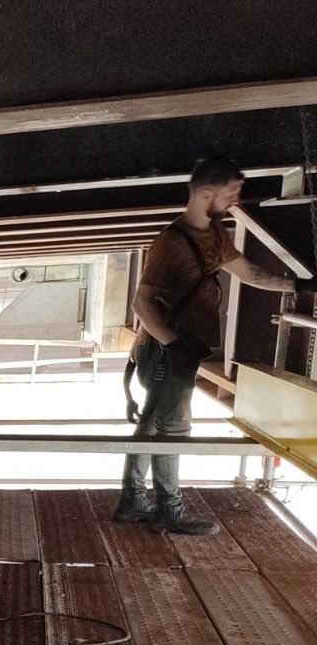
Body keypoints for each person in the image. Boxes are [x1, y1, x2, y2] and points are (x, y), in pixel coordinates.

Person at [117, 155, 314, 534]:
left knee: (156, 425)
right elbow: (140, 302)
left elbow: (249, 273)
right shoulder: (171, 242)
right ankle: (166, 508)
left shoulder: (214, 235)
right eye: (231, 193)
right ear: (207, 193)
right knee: (170, 428)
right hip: (167, 350)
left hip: (179, 349)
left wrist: (297, 287)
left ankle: (134, 501)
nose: (235, 202)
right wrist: (173, 345)